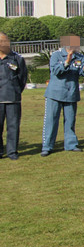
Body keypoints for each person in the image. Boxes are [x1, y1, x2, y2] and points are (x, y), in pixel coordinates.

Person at [42, 35, 84, 156]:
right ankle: (47, 146)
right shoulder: (56, 55)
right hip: (55, 93)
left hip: (71, 93)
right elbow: (56, 71)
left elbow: (82, 73)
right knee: (51, 120)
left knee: (70, 120)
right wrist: (67, 61)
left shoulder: (80, 57)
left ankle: (71, 144)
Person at [0, 32, 27, 160]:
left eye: (5, 41)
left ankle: (12, 152)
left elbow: (22, 78)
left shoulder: (17, 58)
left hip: (12, 97)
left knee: (13, 126)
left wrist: (16, 91)